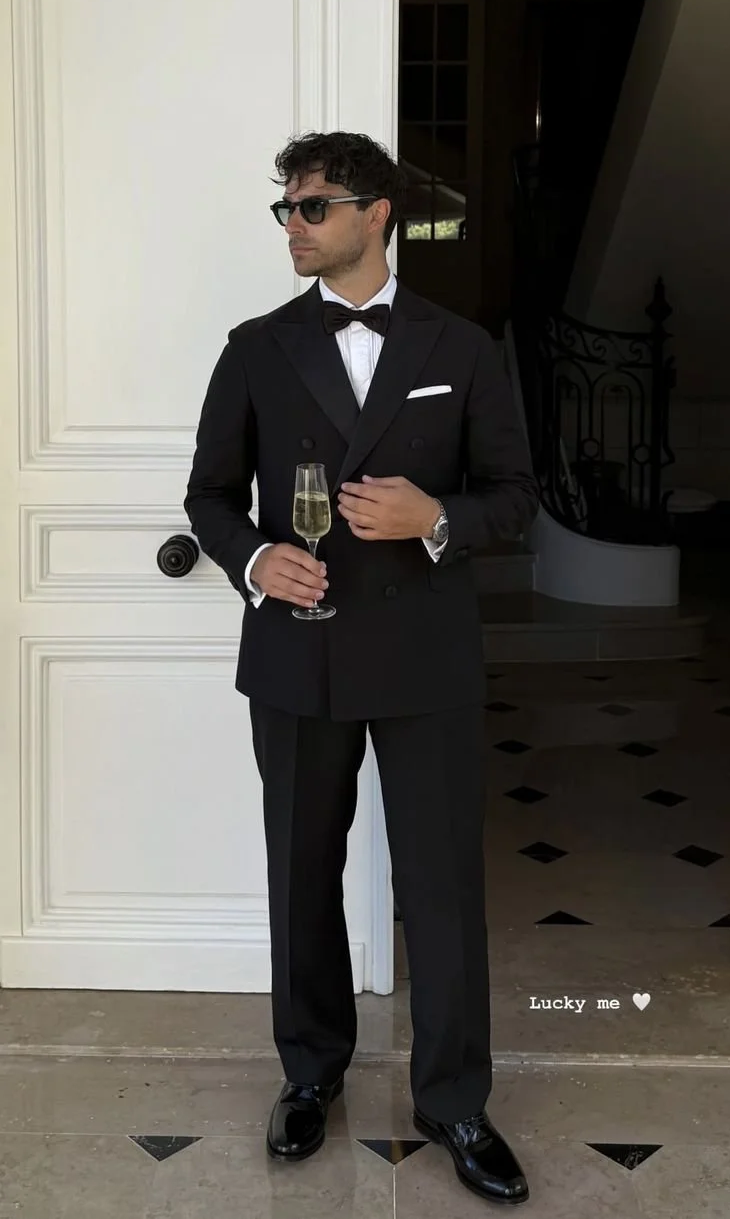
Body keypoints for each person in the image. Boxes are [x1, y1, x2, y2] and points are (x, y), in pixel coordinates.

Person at [184, 131, 539, 1206]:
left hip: (425, 653)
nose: (294, 226)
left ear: (377, 213)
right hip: (299, 650)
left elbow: (515, 499)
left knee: (443, 883)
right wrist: (255, 560)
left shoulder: (460, 346)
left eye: (314, 207)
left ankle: (456, 1100)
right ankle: (309, 1074)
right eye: (286, 210)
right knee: (302, 872)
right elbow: (209, 496)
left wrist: (436, 518)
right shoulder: (256, 347)